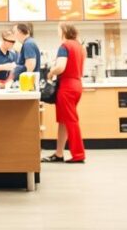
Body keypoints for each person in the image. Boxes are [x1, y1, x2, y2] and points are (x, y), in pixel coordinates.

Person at [42, 22, 86, 164]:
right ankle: (59, 153)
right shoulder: (80, 47)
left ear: (64, 31)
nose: (58, 33)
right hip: (76, 85)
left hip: (67, 87)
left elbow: (61, 67)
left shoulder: (64, 46)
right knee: (63, 120)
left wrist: (51, 72)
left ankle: (78, 154)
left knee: (71, 121)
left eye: (59, 30)